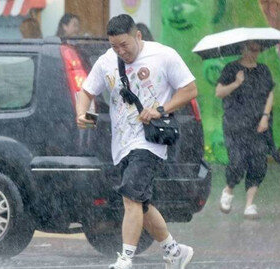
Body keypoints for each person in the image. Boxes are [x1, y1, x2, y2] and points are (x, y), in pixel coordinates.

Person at [76, 14, 197, 269]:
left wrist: (161, 109)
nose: (120, 51)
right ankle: (174, 251)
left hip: (150, 141)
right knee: (141, 203)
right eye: (114, 46)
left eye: (125, 45)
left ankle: (125, 259)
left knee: (131, 196)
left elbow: (189, 89)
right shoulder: (107, 61)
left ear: (138, 36)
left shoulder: (164, 55)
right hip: (121, 143)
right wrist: (82, 113)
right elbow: (86, 91)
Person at [216, 41, 274, 219]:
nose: (255, 53)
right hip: (235, 124)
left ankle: (249, 204)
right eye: (251, 49)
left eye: (258, 49)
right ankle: (229, 189)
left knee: (258, 162)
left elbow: (270, 93)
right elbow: (219, 92)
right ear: (243, 49)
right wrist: (236, 83)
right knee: (237, 161)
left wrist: (265, 116)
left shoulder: (263, 70)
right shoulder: (231, 68)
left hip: (257, 124)